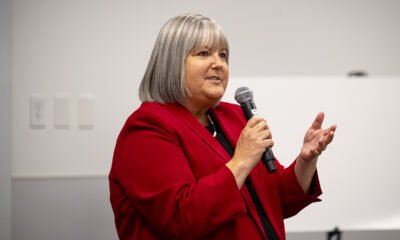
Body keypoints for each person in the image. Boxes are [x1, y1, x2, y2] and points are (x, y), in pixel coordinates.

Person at [109, 13, 336, 240]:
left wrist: (306, 162)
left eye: (223, 55)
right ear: (173, 62)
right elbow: (182, 219)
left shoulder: (235, 116)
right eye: (204, 53)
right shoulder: (146, 128)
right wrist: (241, 160)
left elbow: (273, 199)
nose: (218, 64)